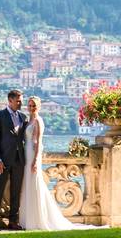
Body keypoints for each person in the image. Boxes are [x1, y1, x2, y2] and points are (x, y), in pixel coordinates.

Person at [19, 96, 99, 230]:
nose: (31, 108)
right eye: (30, 105)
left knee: (35, 185)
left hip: (33, 155)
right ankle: (28, 219)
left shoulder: (38, 120)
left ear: (39, 107)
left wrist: (35, 161)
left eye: (34, 106)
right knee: (27, 185)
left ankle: (39, 219)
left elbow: (39, 142)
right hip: (26, 154)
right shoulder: (29, 120)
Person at [0, 89, 27, 231]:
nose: (20, 103)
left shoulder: (23, 117)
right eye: (18, 101)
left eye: (21, 100)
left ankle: (13, 222)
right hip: (3, 161)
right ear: (10, 100)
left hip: (19, 161)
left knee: (16, 192)